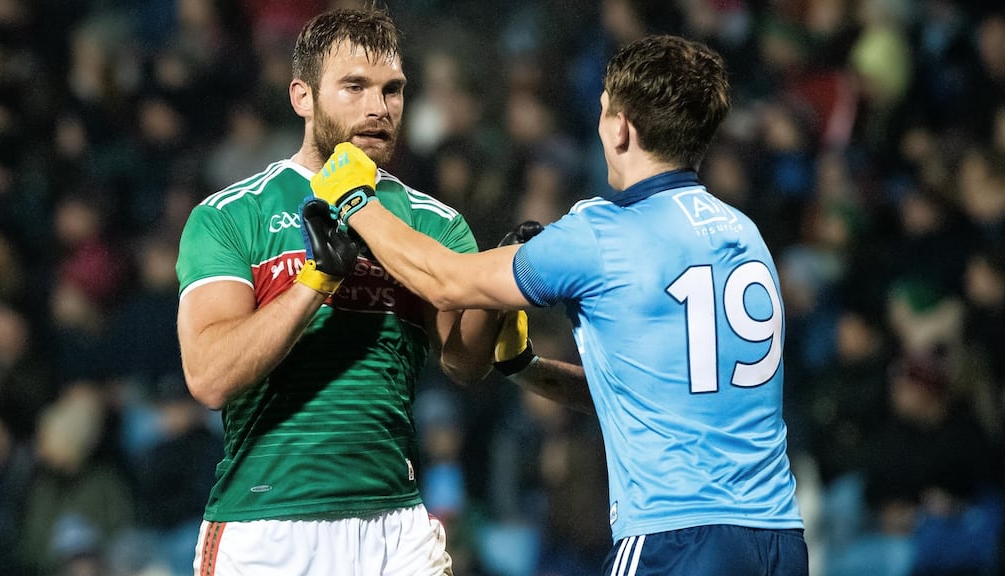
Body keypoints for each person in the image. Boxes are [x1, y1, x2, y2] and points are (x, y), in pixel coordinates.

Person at [312, 34, 809, 574]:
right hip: (778, 537)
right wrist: (526, 369)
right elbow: (662, 397)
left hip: (676, 537)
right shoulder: (745, 235)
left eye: (603, 112)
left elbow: (446, 282)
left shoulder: (599, 234)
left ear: (621, 128)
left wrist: (355, 202)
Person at [174, 7, 502, 575]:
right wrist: (314, 283)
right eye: (355, 87)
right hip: (266, 524)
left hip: (395, 525)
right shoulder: (231, 214)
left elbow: (464, 363)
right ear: (302, 96)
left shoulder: (434, 222)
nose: (379, 108)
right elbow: (209, 376)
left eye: (392, 90)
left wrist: (501, 300)